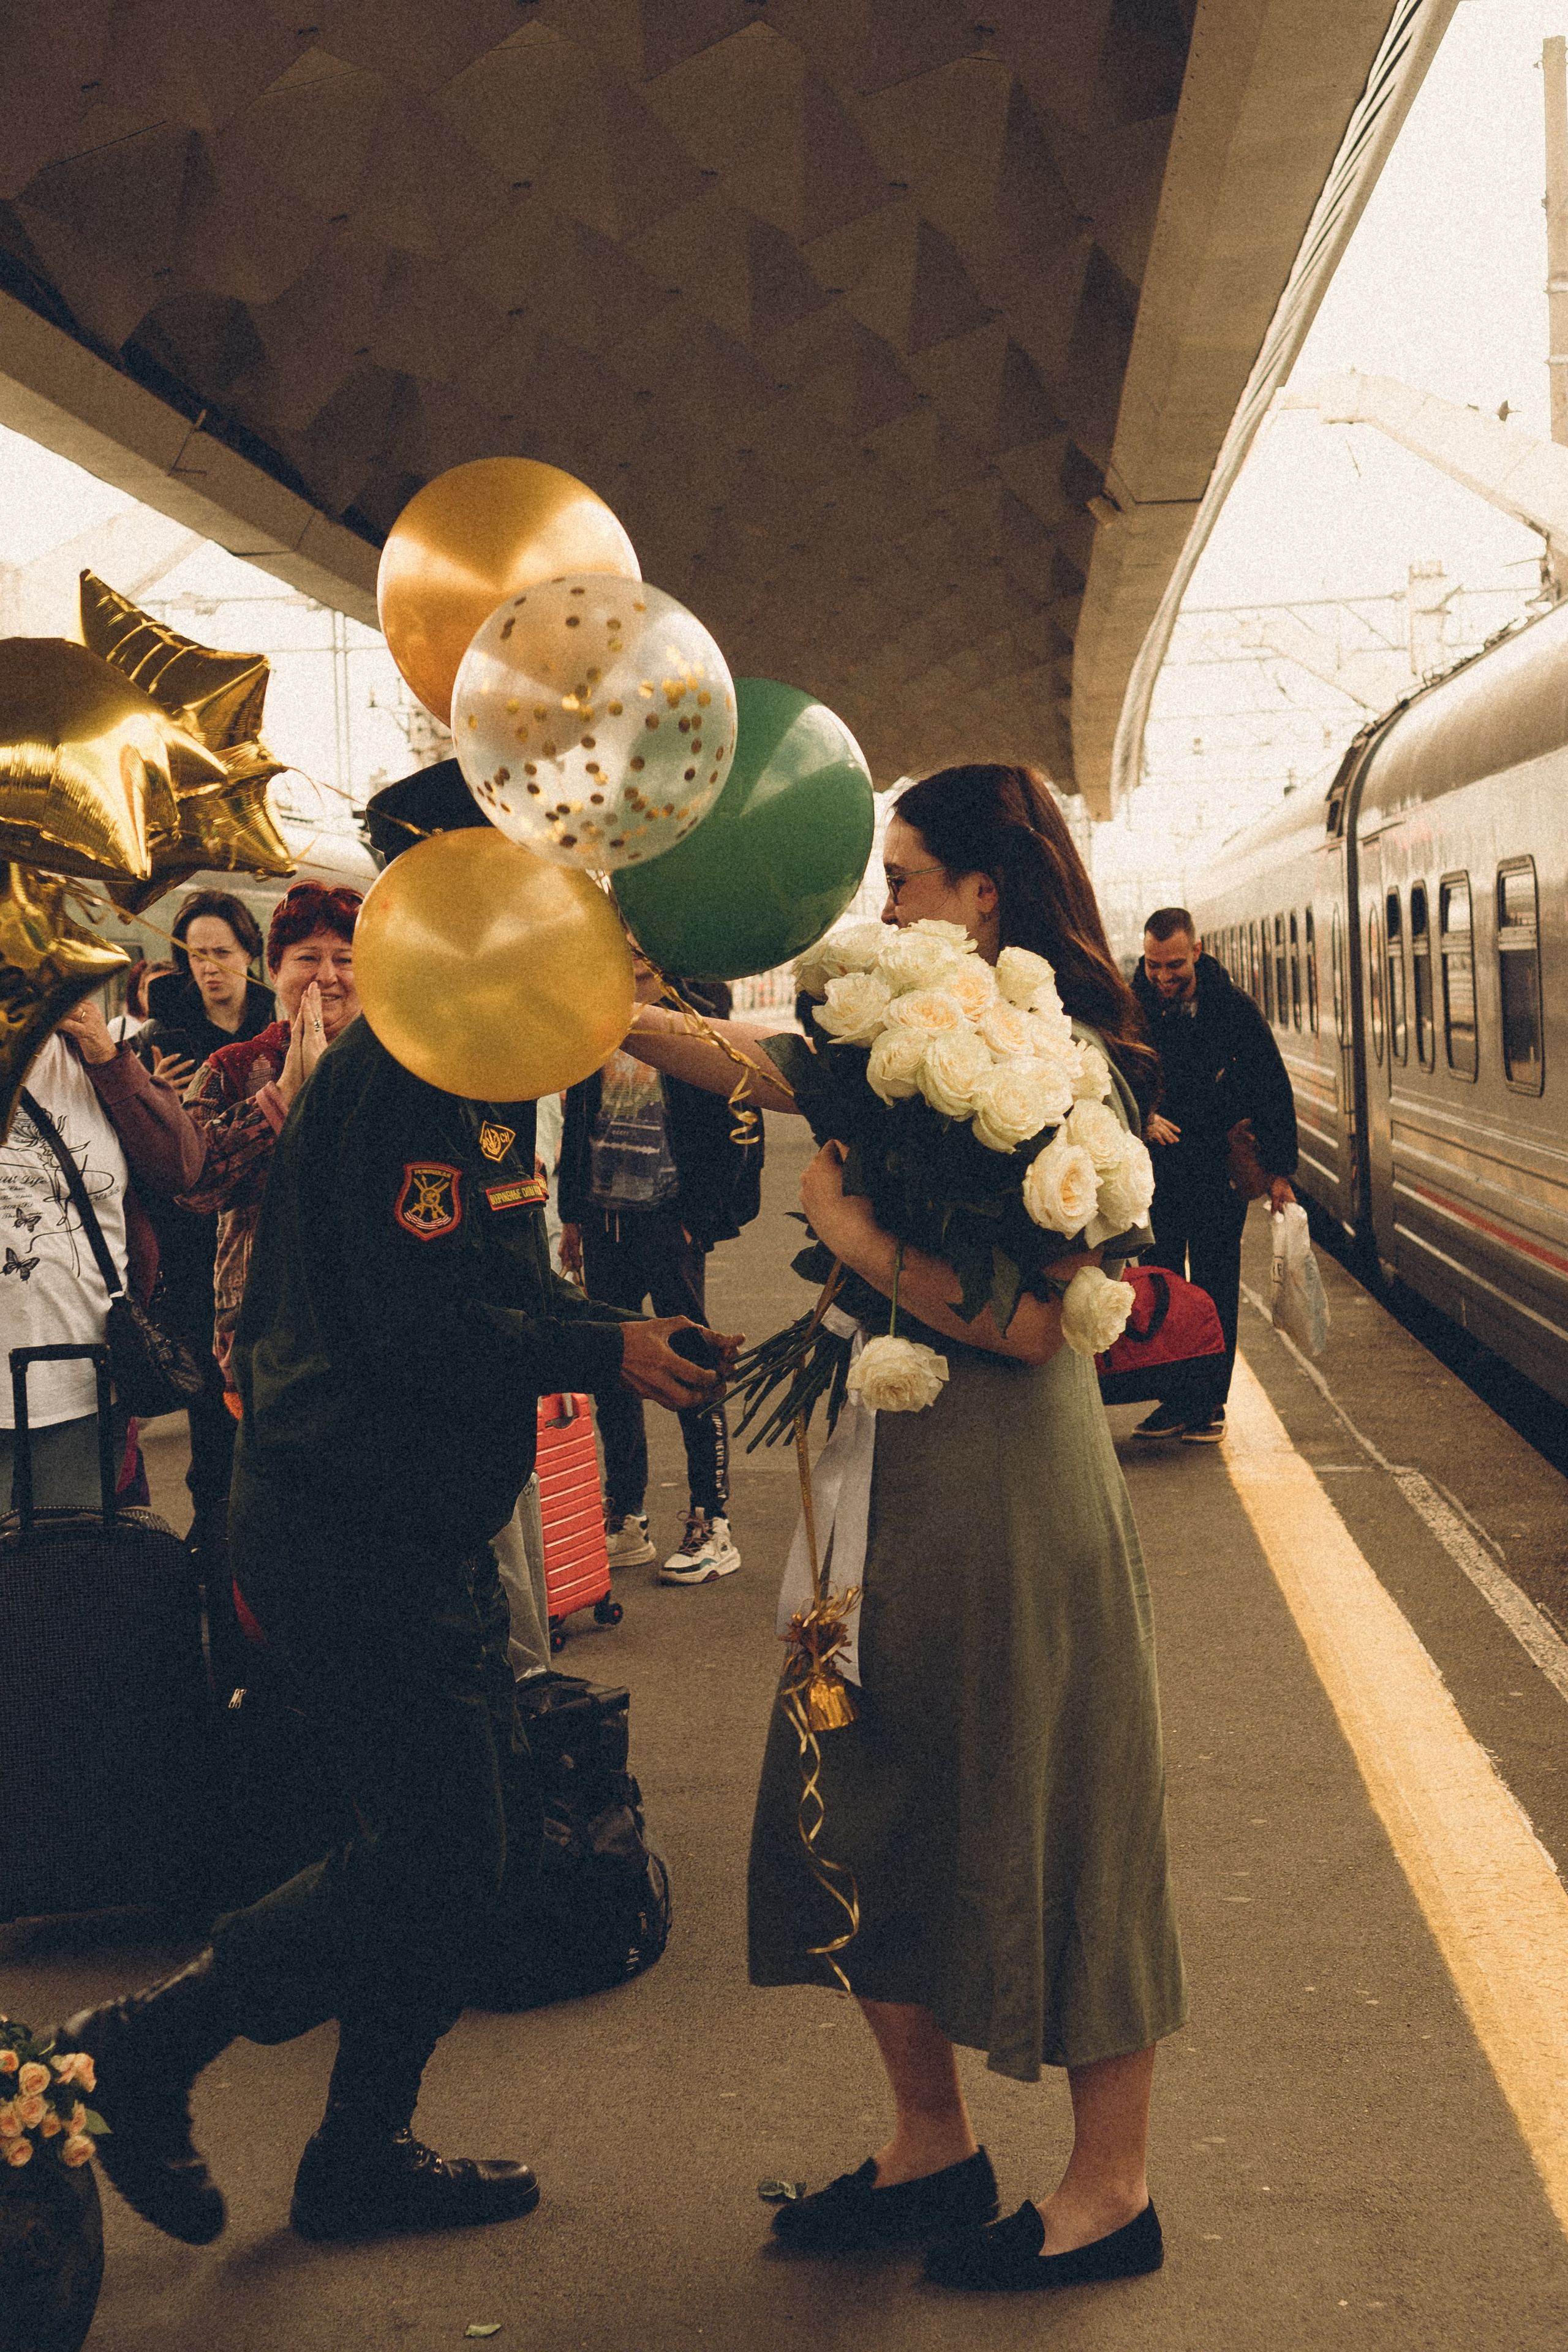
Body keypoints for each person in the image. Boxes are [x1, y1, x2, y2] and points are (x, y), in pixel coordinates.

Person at [52, 917, 741, 2251]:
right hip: (345, 1521)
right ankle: (145, 2046)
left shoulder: (481, 1082)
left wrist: (628, 1332)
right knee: (439, 1850)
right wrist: (607, 1358)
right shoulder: (403, 1085)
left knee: (461, 1851)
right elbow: (413, 1327)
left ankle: (356, 2152)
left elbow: (509, 1280)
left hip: (418, 1522)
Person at [625, 764, 1185, 2297]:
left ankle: (1109, 2187)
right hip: (870, 1484)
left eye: (903, 878)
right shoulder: (900, 1040)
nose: (882, 905)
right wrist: (602, 1008)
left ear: (980, 895)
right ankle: (929, 2139)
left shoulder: (1056, 1065)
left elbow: (1034, 1325)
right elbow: (755, 1063)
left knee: (1054, 1810)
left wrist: (850, 1233)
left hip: (1002, 1496)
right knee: (846, 1788)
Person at [558, 961, 762, 1585]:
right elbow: (579, 1118)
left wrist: (702, 1219)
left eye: (641, 943)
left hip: (669, 1223)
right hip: (604, 1220)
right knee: (612, 1369)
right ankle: (627, 1517)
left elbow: (739, 1126)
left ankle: (712, 1523)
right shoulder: (596, 1014)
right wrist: (572, 1215)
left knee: (692, 1366)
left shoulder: (696, 1016)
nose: (630, 954)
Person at [0, 1000, 203, 1507]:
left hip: (84, 1377)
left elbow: (179, 1166)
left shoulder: (87, 1054)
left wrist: (108, 1056)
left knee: (72, 1552)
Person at [132, 894, 279, 1585]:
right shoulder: (159, 1037)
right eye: (196, 954)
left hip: (269, 1238)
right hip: (194, 1252)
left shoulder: (283, 1024)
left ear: (251, 955)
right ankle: (217, 1560)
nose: (210, 967)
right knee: (212, 1416)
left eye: (222, 952)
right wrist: (152, 1098)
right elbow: (144, 1156)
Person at [176, 883, 362, 1397]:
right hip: (267, 1337)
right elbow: (191, 1187)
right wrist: (281, 1097)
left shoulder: (402, 1064)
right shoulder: (231, 1068)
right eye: (307, 957)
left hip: (379, 1324)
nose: (327, 975)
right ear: (274, 969)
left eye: (346, 959)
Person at [1131, 907, 1297, 1444]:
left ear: (1196, 952)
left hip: (1215, 1172)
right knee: (1161, 1286)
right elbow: (1110, 1071)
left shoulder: (1233, 1009)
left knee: (1214, 1285)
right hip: (1156, 1175)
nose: (1163, 976)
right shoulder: (1132, 1008)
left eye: (1174, 965)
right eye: (1154, 965)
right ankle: (1173, 1401)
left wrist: (1279, 1172)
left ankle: (1209, 1403)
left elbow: (1271, 1087)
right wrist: (1142, 1115)